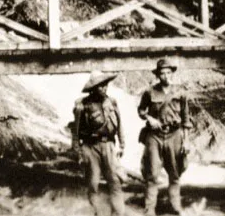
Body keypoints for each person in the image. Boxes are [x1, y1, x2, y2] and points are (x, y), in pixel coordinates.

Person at [138, 58, 192, 216]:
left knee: (175, 174)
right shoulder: (149, 92)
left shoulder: (181, 92)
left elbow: (186, 118)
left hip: (174, 135)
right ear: (158, 75)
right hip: (154, 136)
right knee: (152, 174)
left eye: (169, 73)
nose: (166, 76)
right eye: (162, 73)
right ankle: (149, 209)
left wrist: (186, 141)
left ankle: (176, 206)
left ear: (172, 74)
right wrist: (150, 119)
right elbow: (141, 111)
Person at [73, 71, 126, 216]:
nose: (104, 88)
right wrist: (78, 153)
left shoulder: (112, 102)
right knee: (93, 183)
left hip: (109, 146)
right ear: (93, 88)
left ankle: (118, 213)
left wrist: (122, 144)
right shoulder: (82, 106)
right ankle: (96, 212)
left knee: (115, 180)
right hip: (90, 147)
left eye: (105, 85)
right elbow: (76, 132)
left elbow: (119, 123)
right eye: (100, 86)